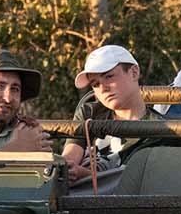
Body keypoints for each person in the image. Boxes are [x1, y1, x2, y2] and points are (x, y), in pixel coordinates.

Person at [61, 44, 169, 181]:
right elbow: (69, 158)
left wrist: (85, 175)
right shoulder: (89, 112)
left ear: (134, 72)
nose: (102, 88)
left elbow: (131, 184)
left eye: (109, 76)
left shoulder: (158, 128)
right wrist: (67, 168)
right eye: (95, 84)